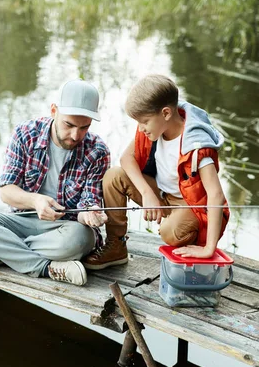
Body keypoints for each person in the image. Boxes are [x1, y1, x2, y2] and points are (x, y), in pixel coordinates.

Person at [0, 79, 110, 286]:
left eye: (84, 127)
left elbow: (88, 202)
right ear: (54, 111)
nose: (76, 135)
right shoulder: (25, 134)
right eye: (69, 124)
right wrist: (36, 201)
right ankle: (46, 268)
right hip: (22, 221)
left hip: (65, 229)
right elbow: (6, 192)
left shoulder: (97, 151)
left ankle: (1, 253)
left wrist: (89, 213)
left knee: (83, 239)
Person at [83, 74, 229, 270]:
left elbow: (216, 195)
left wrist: (210, 249)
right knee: (114, 177)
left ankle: (193, 244)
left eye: (144, 121)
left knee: (170, 232)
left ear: (166, 113)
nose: (141, 128)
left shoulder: (197, 144)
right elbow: (127, 158)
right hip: (163, 195)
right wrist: (147, 193)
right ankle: (116, 247)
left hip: (192, 207)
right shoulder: (155, 129)